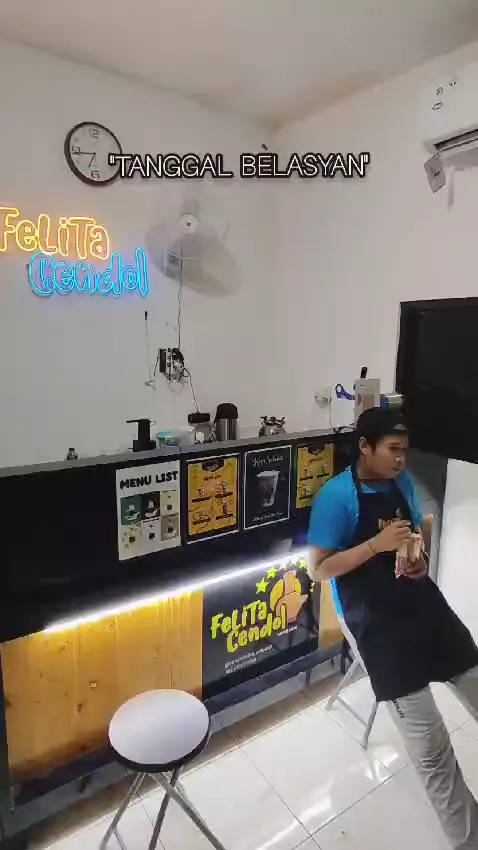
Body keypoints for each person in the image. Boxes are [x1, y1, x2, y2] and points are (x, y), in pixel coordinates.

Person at [307, 407, 478, 850]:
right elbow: (318, 570)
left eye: (405, 450)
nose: (402, 459)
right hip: (374, 620)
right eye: (393, 449)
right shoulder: (336, 497)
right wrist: (374, 545)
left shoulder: (402, 483)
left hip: (420, 603)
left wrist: (420, 559)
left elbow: (416, 532)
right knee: (433, 749)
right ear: (365, 447)